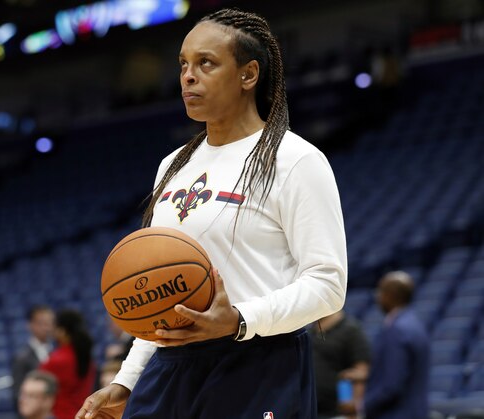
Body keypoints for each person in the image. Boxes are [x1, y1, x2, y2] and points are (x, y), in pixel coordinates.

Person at [76, 7, 347, 419]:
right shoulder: (172, 165)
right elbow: (162, 292)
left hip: (259, 361)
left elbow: (328, 285)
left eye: (206, 63)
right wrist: (126, 380)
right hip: (173, 366)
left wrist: (238, 319)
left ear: (248, 74)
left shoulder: (295, 160)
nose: (188, 76)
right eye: (184, 64)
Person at [364, 271, 429, 419]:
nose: (378, 296)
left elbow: (391, 385)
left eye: (380, 291)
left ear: (389, 295)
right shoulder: (415, 324)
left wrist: (362, 407)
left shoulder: (397, 330)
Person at [311, 310, 371, 419]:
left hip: (337, 413)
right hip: (310, 411)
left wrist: (354, 407)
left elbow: (362, 371)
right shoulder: (309, 330)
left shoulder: (351, 330)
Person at [41, 309, 95, 419]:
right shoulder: (87, 358)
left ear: (62, 331)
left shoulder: (56, 360)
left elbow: (38, 387)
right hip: (83, 415)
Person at [12, 305, 55, 409]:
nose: (46, 328)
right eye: (41, 323)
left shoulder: (57, 352)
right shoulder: (21, 358)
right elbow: (17, 394)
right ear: (30, 325)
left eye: (49, 323)